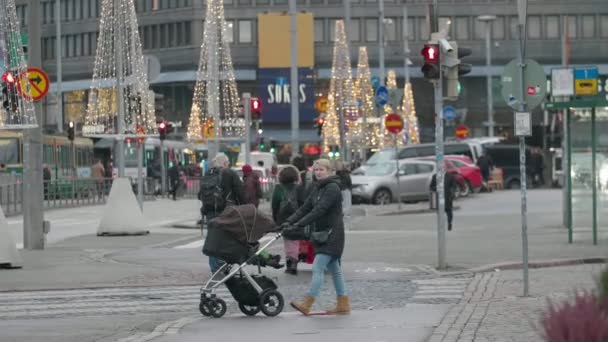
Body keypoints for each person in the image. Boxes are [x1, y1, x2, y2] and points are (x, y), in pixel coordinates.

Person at [284, 159, 349, 315]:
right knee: (335, 270)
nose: (318, 172)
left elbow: (319, 210)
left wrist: (299, 224)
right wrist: (288, 222)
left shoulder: (332, 187)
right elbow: (305, 208)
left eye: (321, 170)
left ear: (329, 171)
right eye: (316, 170)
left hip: (332, 233)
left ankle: (307, 303)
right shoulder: (317, 188)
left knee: (318, 267)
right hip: (322, 233)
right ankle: (343, 304)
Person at [198, 153, 245, 273]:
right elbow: (240, 192)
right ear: (224, 163)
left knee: (212, 238)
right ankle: (222, 266)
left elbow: (200, 194)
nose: (229, 165)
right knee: (225, 238)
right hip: (226, 211)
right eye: (228, 163)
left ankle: (214, 267)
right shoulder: (229, 173)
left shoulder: (208, 174)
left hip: (209, 211)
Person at [272, 165, 301, 275]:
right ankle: (293, 261)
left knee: (288, 240)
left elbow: (274, 205)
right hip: (297, 216)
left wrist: (275, 219)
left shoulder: (278, 188)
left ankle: (291, 262)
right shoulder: (299, 187)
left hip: (283, 217)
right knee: (295, 240)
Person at [335, 160, 352, 230]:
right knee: (345, 207)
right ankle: (344, 225)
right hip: (344, 190)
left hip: (344, 190)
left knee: (345, 207)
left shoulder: (343, 174)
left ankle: (345, 225)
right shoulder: (343, 174)